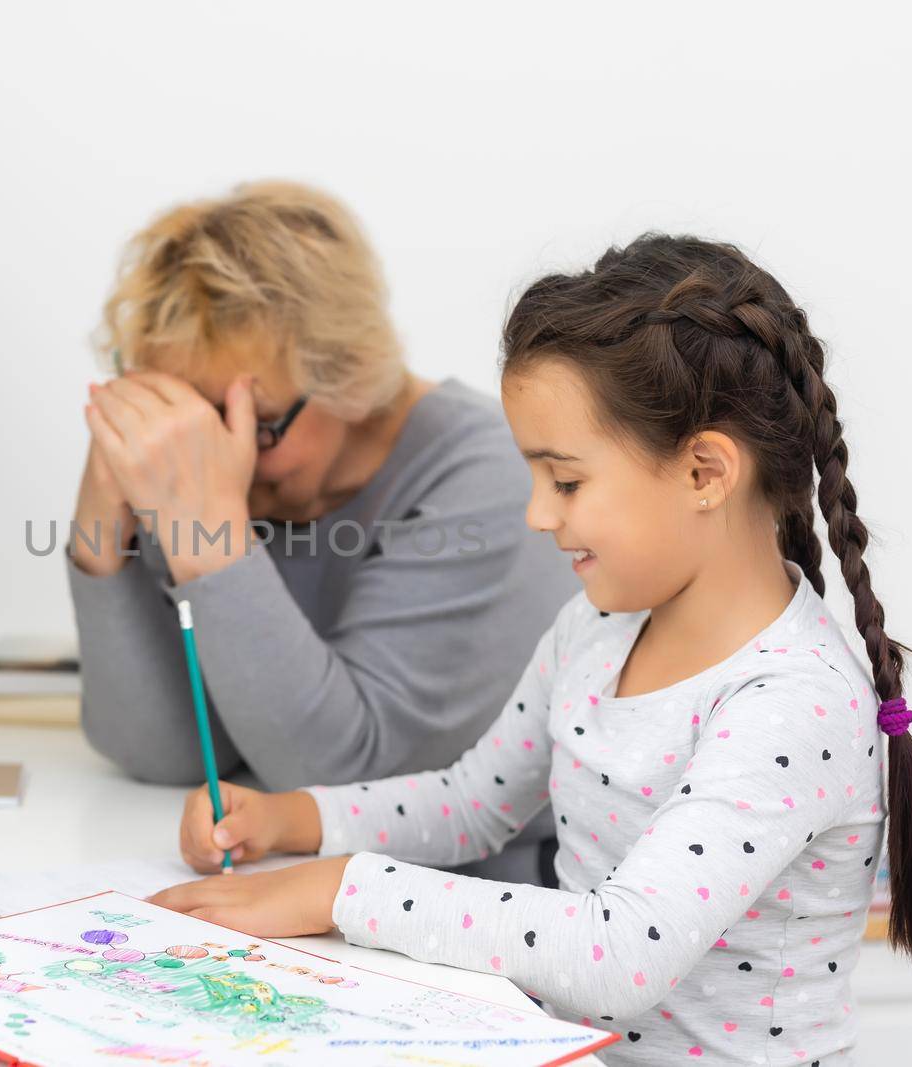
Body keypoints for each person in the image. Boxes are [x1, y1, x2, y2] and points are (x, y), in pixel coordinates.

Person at [151, 234, 912, 1064]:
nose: (538, 513)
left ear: (706, 472)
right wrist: (296, 818)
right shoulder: (599, 630)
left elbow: (620, 952)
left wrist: (345, 888)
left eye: (565, 481)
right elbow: (473, 800)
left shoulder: (795, 701)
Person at [68, 181, 576, 884]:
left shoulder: (491, 472)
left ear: (343, 374)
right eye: (198, 421)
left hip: (481, 917)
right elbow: (167, 751)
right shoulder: (209, 480)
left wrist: (210, 533)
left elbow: (342, 778)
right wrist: (103, 533)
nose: (231, 461)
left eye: (259, 423)